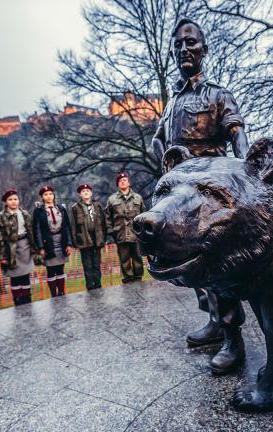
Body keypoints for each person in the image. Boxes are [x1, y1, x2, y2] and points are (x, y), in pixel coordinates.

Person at [150, 18, 249, 374]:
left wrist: (248, 173)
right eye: (177, 45)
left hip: (209, 192)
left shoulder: (218, 94)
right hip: (178, 190)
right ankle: (213, 323)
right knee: (189, 263)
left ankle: (232, 340)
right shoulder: (172, 101)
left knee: (217, 265)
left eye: (190, 43)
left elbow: (237, 135)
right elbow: (158, 138)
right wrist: (165, 162)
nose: (183, 50)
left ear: (204, 50)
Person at [0, 189, 37, 305]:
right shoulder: (0, 217)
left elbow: (31, 232)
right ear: (5, 202)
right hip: (10, 248)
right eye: (10, 200)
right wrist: (2, 256)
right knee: (15, 276)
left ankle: (27, 301)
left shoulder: (24, 214)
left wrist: (34, 248)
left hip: (25, 246)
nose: (13, 202)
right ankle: (18, 301)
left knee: (25, 275)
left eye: (15, 199)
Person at [32, 185, 72, 297]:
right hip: (48, 242)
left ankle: (62, 292)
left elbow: (67, 227)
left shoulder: (61, 208)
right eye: (45, 194)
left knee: (60, 269)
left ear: (54, 195)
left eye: (50, 194)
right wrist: (40, 247)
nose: (48, 196)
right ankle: (54, 294)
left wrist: (69, 243)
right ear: (42, 197)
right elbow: (37, 229)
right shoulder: (39, 211)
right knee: (51, 269)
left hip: (61, 240)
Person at [105, 172, 145, 284]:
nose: (123, 182)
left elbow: (143, 215)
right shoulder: (112, 199)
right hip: (120, 234)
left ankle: (138, 277)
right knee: (124, 259)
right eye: (120, 181)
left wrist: (143, 232)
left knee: (138, 257)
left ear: (129, 182)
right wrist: (111, 233)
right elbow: (108, 218)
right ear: (118, 184)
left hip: (136, 234)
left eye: (125, 180)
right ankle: (128, 279)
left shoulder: (138, 197)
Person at [70, 183, 107, 290]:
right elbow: (73, 226)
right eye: (83, 191)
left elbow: (103, 223)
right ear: (80, 195)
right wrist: (75, 242)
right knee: (87, 266)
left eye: (87, 191)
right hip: (84, 239)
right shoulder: (75, 208)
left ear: (91, 193)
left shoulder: (97, 206)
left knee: (96, 264)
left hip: (97, 238)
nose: (85, 192)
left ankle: (98, 285)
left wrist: (104, 238)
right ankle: (90, 287)